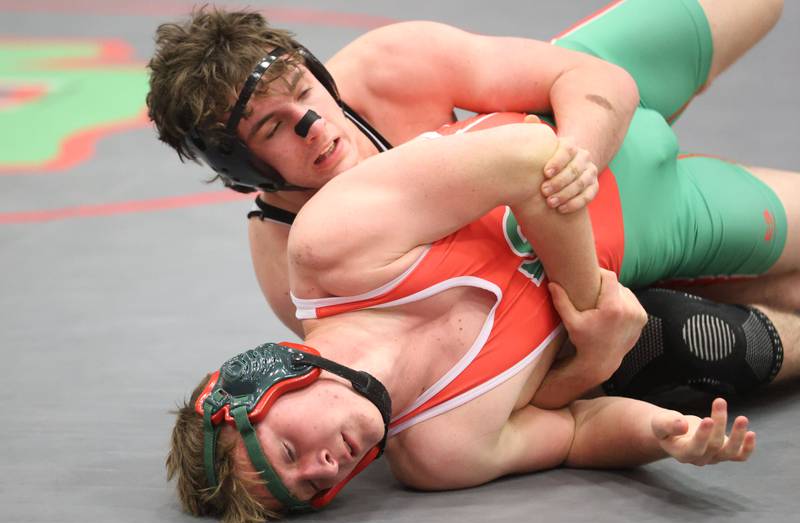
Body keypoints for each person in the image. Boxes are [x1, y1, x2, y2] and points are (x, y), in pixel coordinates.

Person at [166, 86, 799, 523]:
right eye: (308, 488)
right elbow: (576, 433)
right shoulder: (441, 454)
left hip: (592, 132)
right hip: (648, 255)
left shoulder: (331, 252)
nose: (325, 469)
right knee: (713, 346)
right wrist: (664, 437)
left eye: (288, 452)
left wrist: (590, 303)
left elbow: (532, 157)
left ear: (267, 375)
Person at [146, 0, 794, 340]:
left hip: (581, 122)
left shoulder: (387, 66)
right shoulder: (299, 261)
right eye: (272, 128)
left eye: (303, 91)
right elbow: (467, 353)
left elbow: (593, 77)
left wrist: (581, 156)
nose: (312, 123)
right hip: (637, 225)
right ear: (243, 172)